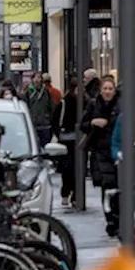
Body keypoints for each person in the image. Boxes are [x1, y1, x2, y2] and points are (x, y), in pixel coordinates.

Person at [80, 75, 120, 213]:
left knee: (118, 185)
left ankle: (117, 216)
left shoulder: (120, 106)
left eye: (110, 89)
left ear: (114, 91)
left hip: (117, 150)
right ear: (101, 90)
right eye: (105, 88)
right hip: (100, 151)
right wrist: (92, 122)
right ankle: (110, 217)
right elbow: (82, 125)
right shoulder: (93, 104)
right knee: (107, 184)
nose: (108, 92)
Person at [54, 78, 81, 208]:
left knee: (72, 169)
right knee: (70, 169)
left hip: (72, 139)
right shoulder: (65, 102)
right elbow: (55, 120)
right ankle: (70, 194)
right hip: (69, 140)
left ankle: (71, 195)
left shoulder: (83, 102)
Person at [23, 73, 53, 148]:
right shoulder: (28, 92)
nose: (37, 80)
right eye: (35, 78)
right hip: (33, 123)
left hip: (44, 123)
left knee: (45, 144)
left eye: (39, 77)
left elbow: (50, 106)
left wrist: (48, 117)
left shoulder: (46, 91)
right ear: (32, 79)